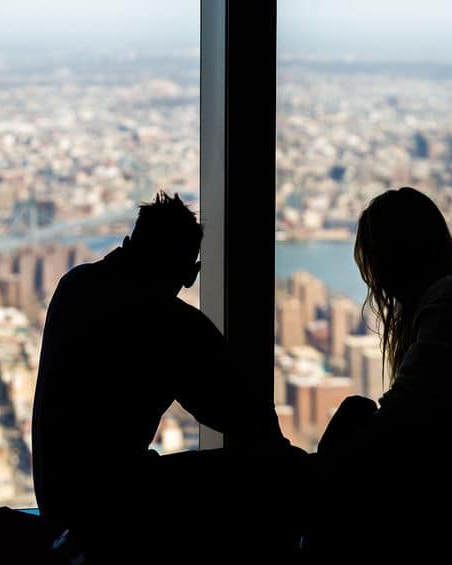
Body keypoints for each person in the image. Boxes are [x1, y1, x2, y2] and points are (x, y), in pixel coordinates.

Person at [31, 192, 301, 562]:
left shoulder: (74, 285)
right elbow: (247, 417)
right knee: (272, 474)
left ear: (127, 245)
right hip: (109, 509)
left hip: (58, 502)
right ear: (191, 274)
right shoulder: (172, 325)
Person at [303, 186, 452, 560]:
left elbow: (402, 418)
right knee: (355, 419)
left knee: (352, 428)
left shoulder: (450, 302)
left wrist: (319, 474)